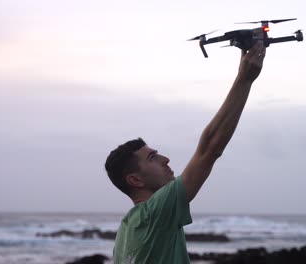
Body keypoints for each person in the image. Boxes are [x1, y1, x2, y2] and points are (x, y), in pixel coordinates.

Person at [105, 41, 267, 263]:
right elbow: (210, 149)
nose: (165, 159)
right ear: (135, 179)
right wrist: (244, 79)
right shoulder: (156, 212)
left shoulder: (125, 231)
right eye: (152, 158)